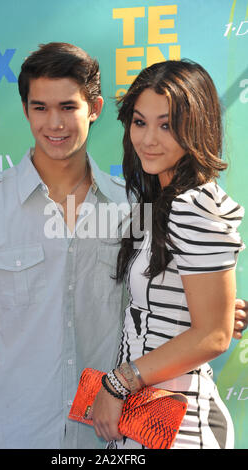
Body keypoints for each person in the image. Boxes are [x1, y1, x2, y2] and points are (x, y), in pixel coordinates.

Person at [0, 44, 246, 450]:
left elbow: (176, 307)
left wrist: (211, 313)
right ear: (25, 110)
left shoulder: (134, 207)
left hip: (111, 434)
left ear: (95, 107)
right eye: (40, 108)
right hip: (11, 431)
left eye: (68, 107)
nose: (55, 123)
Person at [91, 60, 245, 449]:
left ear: (197, 127)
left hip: (178, 428)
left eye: (167, 125)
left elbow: (213, 335)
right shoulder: (160, 203)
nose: (148, 139)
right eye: (139, 122)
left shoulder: (193, 206)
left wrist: (117, 383)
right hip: (145, 420)